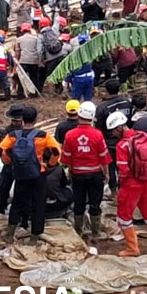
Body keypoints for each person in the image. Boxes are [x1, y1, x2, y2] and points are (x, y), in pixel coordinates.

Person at [0, 105, 60, 244]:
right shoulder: (43, 136)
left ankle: (10, 233)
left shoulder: (13, 135)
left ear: (22, 119)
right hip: (39, 174)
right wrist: (50, 164)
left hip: (21, 174)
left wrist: (9, 162)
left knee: (17, 202)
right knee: (38, 204)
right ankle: (34, 237)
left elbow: (1, 150)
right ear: (35, 119)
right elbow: (56, 151)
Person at [111, 111, 147, 255]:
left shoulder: (122, 145)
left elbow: (123, 169)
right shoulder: (142, 136)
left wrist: (121, 184)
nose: (113, 134)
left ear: (119, 128)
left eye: (113, 131)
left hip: (131, 184)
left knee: (124, 215)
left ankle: (132, 248)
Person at [59, 101, 110, 240]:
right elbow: (103, 157)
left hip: (77, 174)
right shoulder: (98, 134)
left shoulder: (70, 135)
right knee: (95, 203)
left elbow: (66, 159)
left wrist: (71, 171)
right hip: (95, 175)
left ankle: (78, 231)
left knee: (79, 203)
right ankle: (96, 233)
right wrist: (106, 174)